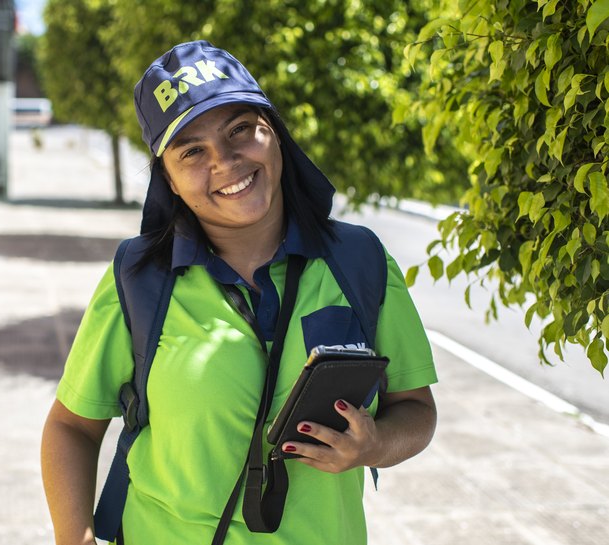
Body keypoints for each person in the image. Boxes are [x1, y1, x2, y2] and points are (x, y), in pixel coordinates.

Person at [41, 40, 437, 545]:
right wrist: (73, 537)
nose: (226, 162)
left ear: (273, 134)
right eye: (193, 152)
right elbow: (71, 427)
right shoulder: (140, 278)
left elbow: (417, 410)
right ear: (169, 179)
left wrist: (374, 444)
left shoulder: (359, 262)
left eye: (240, 131)